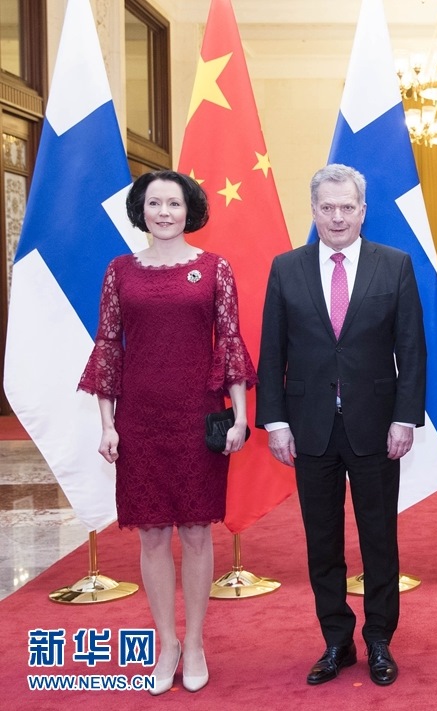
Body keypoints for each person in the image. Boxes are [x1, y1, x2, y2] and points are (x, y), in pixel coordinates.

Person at [78, 170, 257, 695]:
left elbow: (230, 343)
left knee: (197, 531)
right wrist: (107, 424)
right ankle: (167, 643)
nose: (164, 212)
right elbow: (108, 346)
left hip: (197, 416)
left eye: (173, 204)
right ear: (141, 210)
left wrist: (240, 416)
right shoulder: (119, 271)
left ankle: (195, 642)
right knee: (153, 533)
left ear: (189, 210)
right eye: (154, 203)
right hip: (139, 420)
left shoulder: (214, 268)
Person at [256, 164, 426, 687]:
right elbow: (272, 350)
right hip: (309, 427)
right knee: (322, 540)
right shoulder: (286, 268)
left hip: (376, 426)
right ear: (313, 211)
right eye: (327, 207)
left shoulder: (394, 265)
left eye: (347, 207)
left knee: (379, 538)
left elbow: (411, 349)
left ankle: (379, 640)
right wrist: (276, 421)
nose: (337, 217)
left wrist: (404, 417)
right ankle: (336, 640)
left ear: (362, 211)